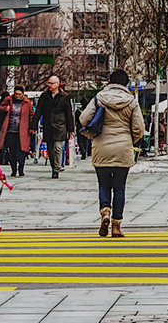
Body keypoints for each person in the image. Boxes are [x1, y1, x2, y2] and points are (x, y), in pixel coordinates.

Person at [80, 69, 148, 238]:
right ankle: (116, 227)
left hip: (101, 146)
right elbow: (139, 128)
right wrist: (130, 140)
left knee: (103, 184)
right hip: (123, 148)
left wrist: (93, 133)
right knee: (119, 187)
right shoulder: (131, 101)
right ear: (126, 84)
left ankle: (105, 212)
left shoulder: (99, 98)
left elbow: (83, 119)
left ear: (110, 82)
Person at [34, 75, 76, 179]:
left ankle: (56, 169)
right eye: (48, 83)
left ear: (57, 84)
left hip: (60, 126)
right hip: (48, 126)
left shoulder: (64, 97)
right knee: (50, 149)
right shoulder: (44, 96)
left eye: (52, 83)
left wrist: (71, 129)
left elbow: (68, 114)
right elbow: (38, 112)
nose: (49, 85)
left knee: (58, 147)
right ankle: (53, 166)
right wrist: (33, 125)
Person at [0, 88, 33, 177]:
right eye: (16, 94)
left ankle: (21, 168)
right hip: (10, 130)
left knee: (22, 150)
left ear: (22, 94)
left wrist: (31, 127)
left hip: (22, 131)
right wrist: (5, 108)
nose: (17, 96)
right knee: (11, 151)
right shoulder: (8, 100)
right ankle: (14, 169)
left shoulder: (27, 103)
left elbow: (31, 115)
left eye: (19, 94)